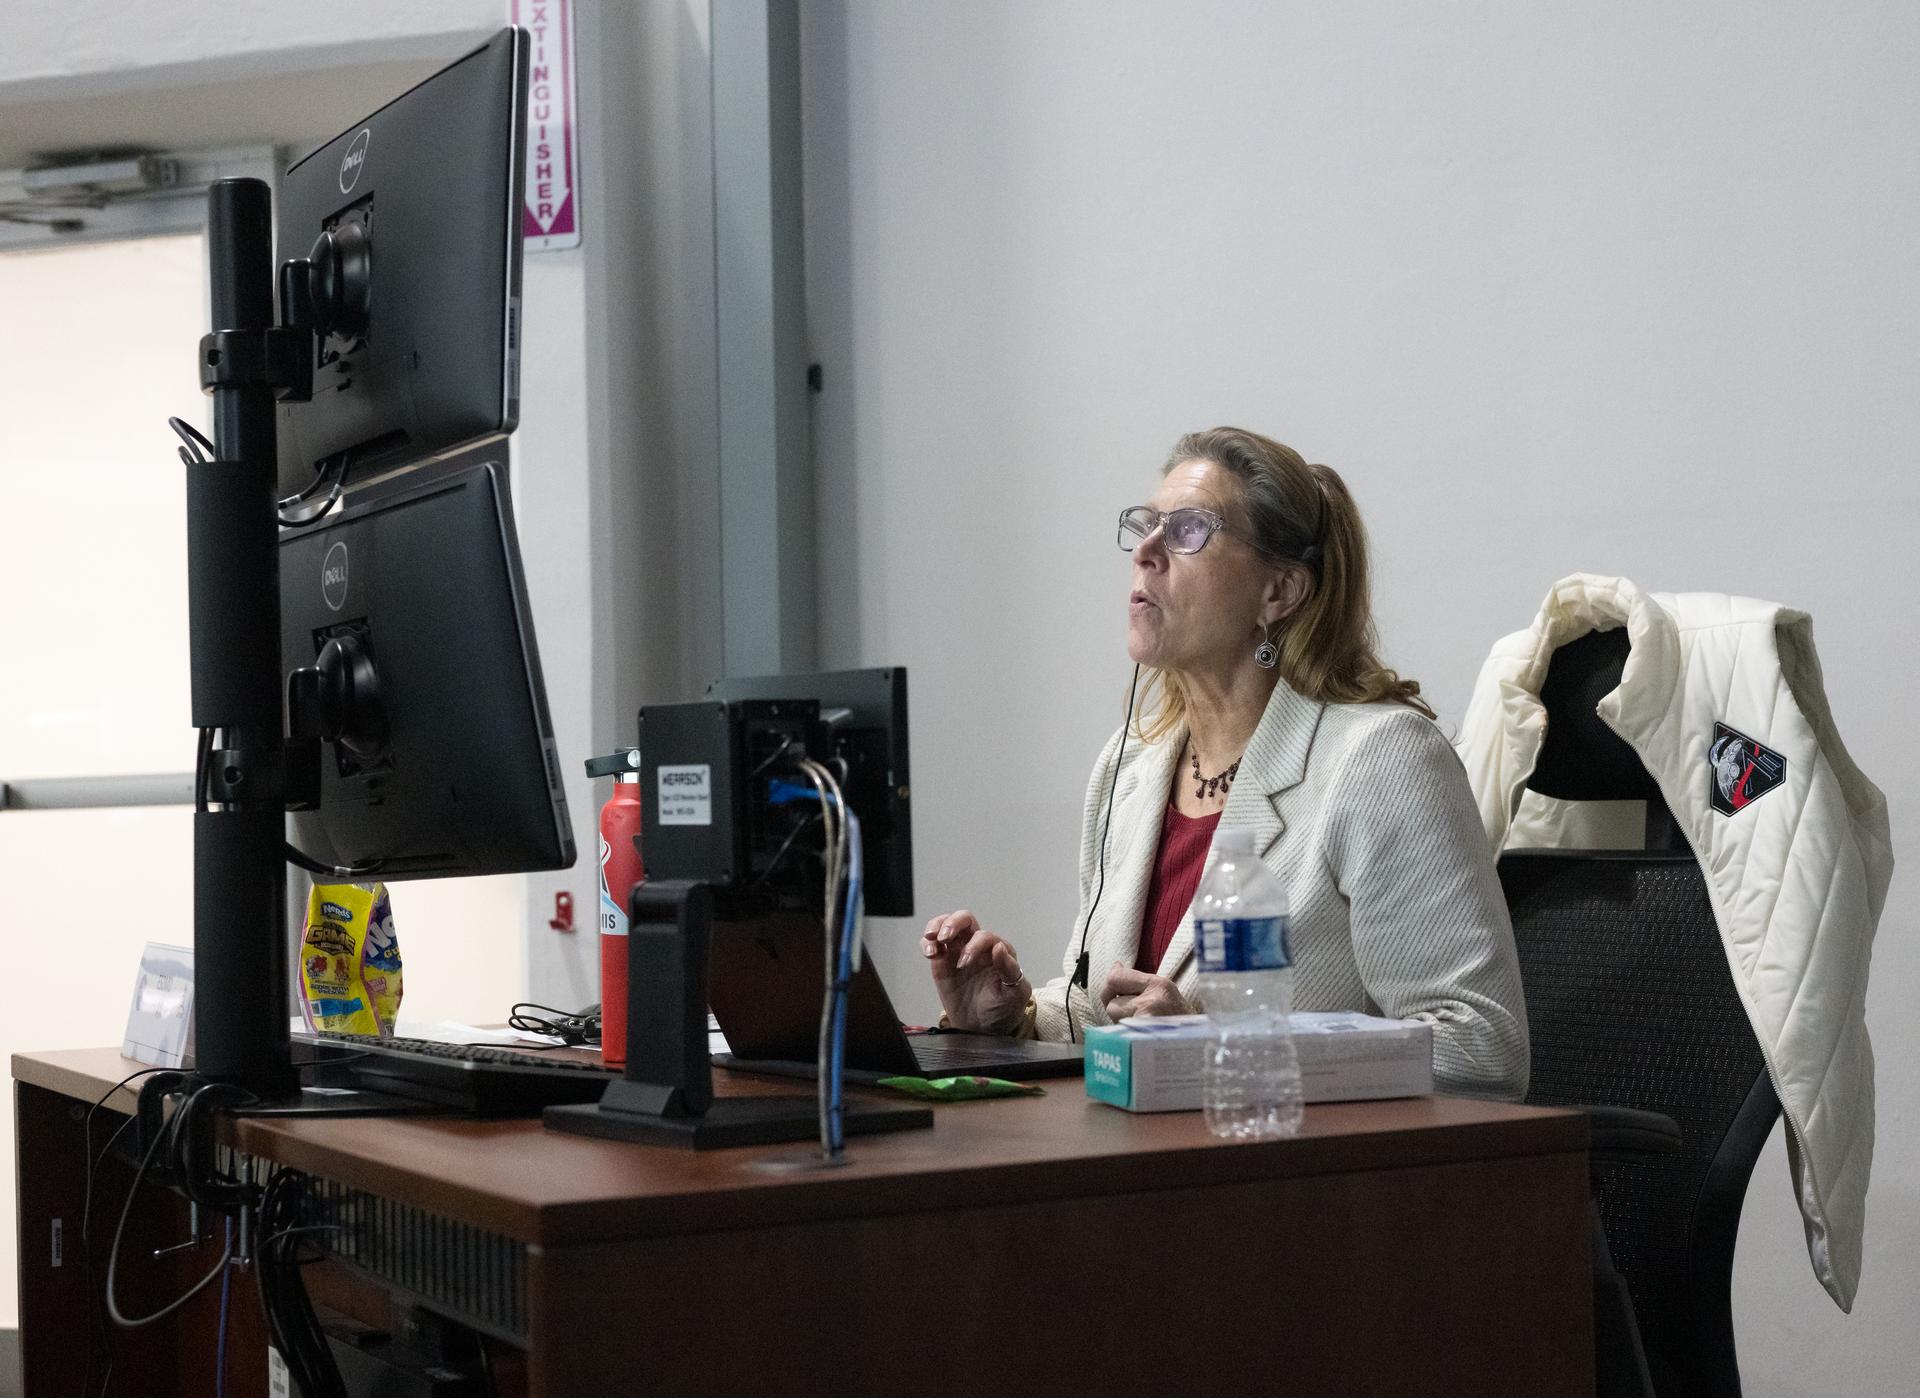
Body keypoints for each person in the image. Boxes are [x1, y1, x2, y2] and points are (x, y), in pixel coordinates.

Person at [921, 427, 1529, 1099]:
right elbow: (1112, 1013)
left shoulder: (1380, 761)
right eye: (1146, 526)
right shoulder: (1129, 770)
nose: (1146, 552)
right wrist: (1008, 1023)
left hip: (1310, 1185)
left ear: (1281, 592)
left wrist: (1219, 1048)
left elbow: (1481, 1046)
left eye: (1187, 532)